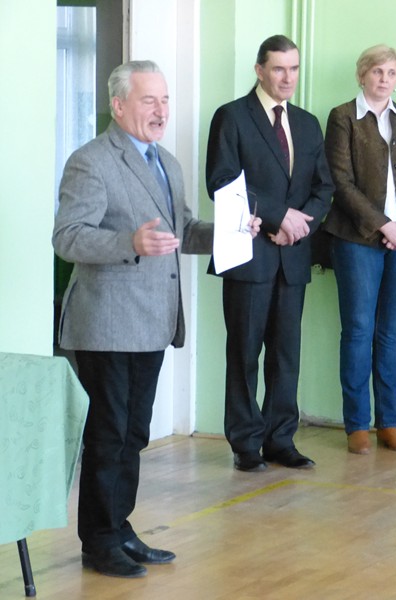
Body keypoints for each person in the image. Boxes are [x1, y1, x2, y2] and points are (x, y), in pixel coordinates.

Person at [53, 60, 247, 578]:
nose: (161, 111)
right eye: (148, 100)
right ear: (119, 106)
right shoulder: (91, 161)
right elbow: (67, 236)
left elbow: (182, 229)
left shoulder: (167, 162)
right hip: (106, 323)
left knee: (134, 432)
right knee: (109, 434)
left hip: (152, 321)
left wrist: (232, 230)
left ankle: (120, 527)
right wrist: (128, 242)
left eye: (164, 100)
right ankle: (98, 541)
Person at [206, 35, 334, 472]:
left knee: (285, 354)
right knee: (245, 354)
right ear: (259, 70)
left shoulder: (308, 123)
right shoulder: (232, 116)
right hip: (249, 255)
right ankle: (245, 443)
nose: (287, 77)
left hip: (292, 255)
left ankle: (280, 440)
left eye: (294, 68)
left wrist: (298, 227)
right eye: (279, 68)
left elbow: (324, 188)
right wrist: (280, 217)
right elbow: (222, 182)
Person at [323, 44, 396, 455]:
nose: (384, 79)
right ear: (362, 75)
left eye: (391, 73)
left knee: (391, 333)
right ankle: (357, 424)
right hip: (357, 239)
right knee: (358, 330)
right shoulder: (342, 117)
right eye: (377, 71)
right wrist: (383, 225)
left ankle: (389, 423)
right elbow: (340, 181)